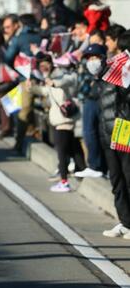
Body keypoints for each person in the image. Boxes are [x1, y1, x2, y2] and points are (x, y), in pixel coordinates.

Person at [29, 53, 85, 192]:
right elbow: (46, 91)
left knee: (62, 151)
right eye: (40, 66)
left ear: (51, 63)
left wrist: (55, 82)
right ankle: (82, 172)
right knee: (73, 149)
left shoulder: (61, 74)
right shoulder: (50, 77)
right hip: (59, 119)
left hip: (64, 119)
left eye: (44, 65)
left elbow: (69, 81)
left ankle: (64, 181)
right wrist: (32, 88)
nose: (42, 68)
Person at [96, 31, 130, 238]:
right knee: (116, 177)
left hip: (123, 127)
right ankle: (125, 221)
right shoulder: (110, 66)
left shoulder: (126, 69)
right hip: (107, 128)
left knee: (128, 175)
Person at [75, 44, 107, 178]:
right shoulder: (87, 75)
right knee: (89, 132)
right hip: (90, 101)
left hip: (99, 104)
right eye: (89, 58)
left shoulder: (107, 76)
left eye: (95, 57)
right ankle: (95, 165)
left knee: (98, 133)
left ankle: (99, 166)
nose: (92, 61)